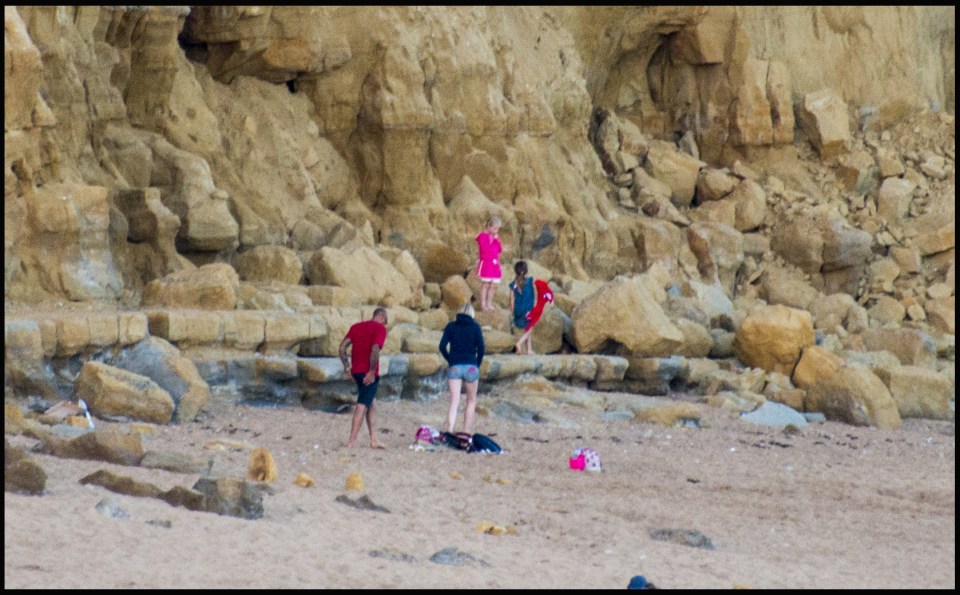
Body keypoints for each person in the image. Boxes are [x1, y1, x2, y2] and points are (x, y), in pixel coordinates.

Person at [338, 307, 389, 449]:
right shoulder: (380, 329)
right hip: (368, 374)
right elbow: (375, 349)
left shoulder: (356, 327)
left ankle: (374, 438)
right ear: (383, 318)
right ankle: (351, 442)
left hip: (356, 372)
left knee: (371, 402)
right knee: (361, 405)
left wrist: (347, 368)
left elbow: (342, 348)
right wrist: (372, 371)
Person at [438, 302, 485, 434]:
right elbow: (481, 348)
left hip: (455, 366)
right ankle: (465, 431)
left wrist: (450, 360)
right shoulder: (475, 327)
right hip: (471, 365)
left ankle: (450, 428)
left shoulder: (451, 326)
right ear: (472, 313)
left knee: (454, 400)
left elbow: (442, 346)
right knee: (471, 400)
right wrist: (477, 363)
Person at [513, 278, 554, 354]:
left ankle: (529, 349)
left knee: (528, 328)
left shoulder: (536, 289)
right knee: (529, 330)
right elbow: (551, 301)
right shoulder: (547, 293)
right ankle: (519, 342)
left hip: (527, 309)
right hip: (534, 312)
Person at [475, 215, 503, 312]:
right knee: (485, 284)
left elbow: (499, 249)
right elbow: (485, 249)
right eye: (495, 228)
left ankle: (489, 303)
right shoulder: (483, 236)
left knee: (494, 284)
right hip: (487, 263)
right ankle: (483, 304)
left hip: (495, 264)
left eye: (497, 229)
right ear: (489, 226)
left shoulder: (494, 237)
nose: (496, 231)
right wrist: (492, 239)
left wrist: (496, 240)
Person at [509, 260, 536, 354]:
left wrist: (513, 310)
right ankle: (519, 343)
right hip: (527, 310)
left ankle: (529, 349)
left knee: (526, 327)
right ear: (525, 270)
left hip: (518, 309)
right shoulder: (529, 281)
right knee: (529, 328)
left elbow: (511, 298)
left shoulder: (513, 284)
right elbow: (531, 296)